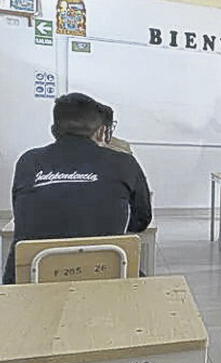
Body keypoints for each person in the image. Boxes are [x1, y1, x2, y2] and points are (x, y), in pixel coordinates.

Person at [3, 93, 152, 284]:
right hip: (106, 273)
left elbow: (23, 214)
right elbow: (142, 220)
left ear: (53, 131)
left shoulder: (27, 161)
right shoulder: (124, 162)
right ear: (100, 132)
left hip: (32, 277)